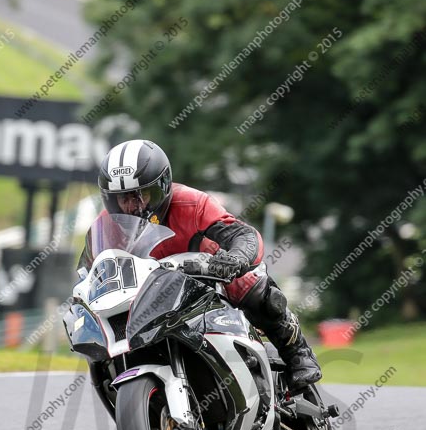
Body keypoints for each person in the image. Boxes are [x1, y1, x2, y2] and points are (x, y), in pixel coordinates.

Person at [79, 138, 321, 392]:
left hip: (210, 276)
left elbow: (243, 235)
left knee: (254, 287)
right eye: (122, 198)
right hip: (148, 295)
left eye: (141, 195)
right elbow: (90, 271)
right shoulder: (105, 225)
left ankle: (297, 353)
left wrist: (235, 259)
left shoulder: (192, 203)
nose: (132, 205)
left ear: (162, 187)